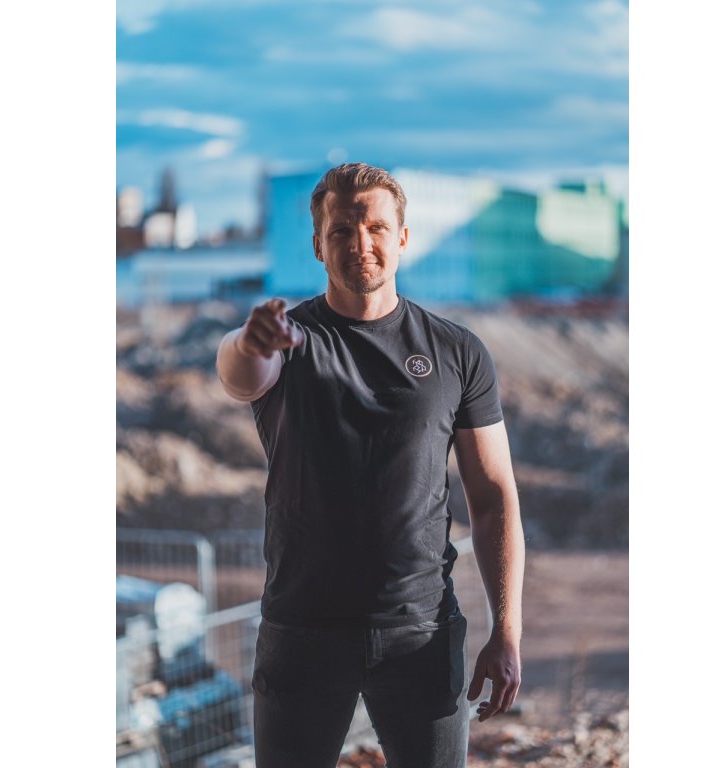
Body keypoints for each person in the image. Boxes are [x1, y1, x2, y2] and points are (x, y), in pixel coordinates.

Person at [216, 162, 524, 768]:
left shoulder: (456, 351)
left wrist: (506, 630)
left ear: (402, 237)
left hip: (422, 633)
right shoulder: (288, 341)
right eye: (342, 230)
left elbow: (494, 498)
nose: (360, 243)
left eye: (376, 227)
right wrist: (249, 341)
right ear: (318, 244)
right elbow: (240, 373)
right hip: (302, 632)